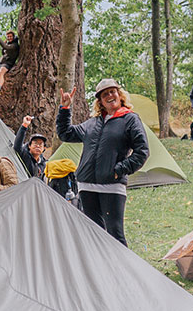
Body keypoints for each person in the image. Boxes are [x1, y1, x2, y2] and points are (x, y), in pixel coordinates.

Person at [56, 79, 149, 247]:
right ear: (100, 101)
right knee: (93, 234)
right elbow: (65, 134)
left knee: (115, 234)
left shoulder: (130, 119)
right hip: (86, 185)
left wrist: (119, 170)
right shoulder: (92, 123)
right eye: (104, 94)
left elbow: (142, 151)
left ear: (119, 95)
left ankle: (123, 271)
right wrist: (65, 108)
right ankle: (100, 271)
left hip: (112, 185)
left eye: (112, 92)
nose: (110, 96)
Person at [14, 115, 49, 181]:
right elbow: (17, 146)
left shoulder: (43, 164)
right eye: (35, 143)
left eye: (40, 144)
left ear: (44, 148)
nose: (38, 146)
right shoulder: (24, 155)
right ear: (29, 146)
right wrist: (24, 125)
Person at [0, 30, 20, 96]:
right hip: (0, 62)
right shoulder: (9, 44)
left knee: (1, 72)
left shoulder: (15, 45)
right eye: (8, 37)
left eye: (10, 36)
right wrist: (3, 48)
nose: (9, 38)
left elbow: (6, 47)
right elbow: (3, 53)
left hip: (7, 64)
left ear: (13, 37)